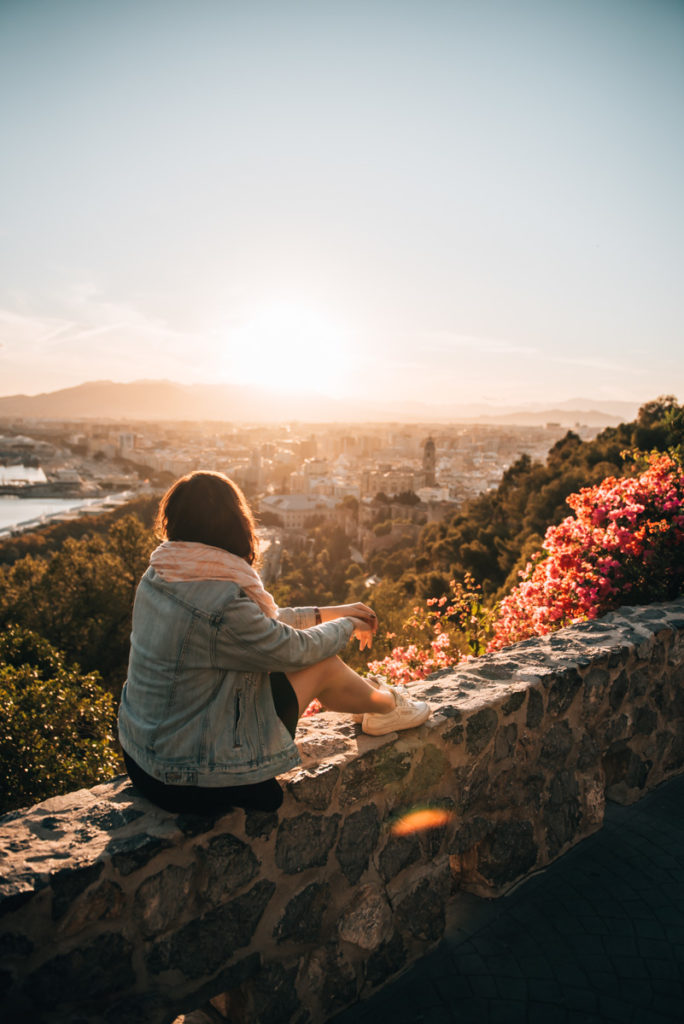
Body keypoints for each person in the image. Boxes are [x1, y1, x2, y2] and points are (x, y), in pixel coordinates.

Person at [118, 470, 430, 814]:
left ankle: (375, 706)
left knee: (311, 659)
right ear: (234, 524)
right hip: (190, 778)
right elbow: (294, 650)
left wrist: (332, 611)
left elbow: (258, 628)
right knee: (323, 663)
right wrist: (346, 625)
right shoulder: (221, 601)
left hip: (140, 758)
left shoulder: (162, 574)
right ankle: (387, 707)